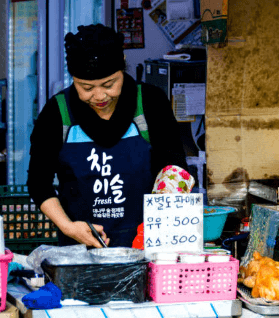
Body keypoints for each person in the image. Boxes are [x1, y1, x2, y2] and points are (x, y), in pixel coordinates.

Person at [27, 24, 190, 248]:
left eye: (109, 84)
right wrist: (68, 227)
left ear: (123, 64)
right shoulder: (57, 112)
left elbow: (174, 166)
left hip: (147, 247)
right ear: (73, 79)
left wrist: (161, 227)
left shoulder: (151, 102)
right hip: (78, 250)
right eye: (86, 87)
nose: (99, 96)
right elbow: (38, 182)